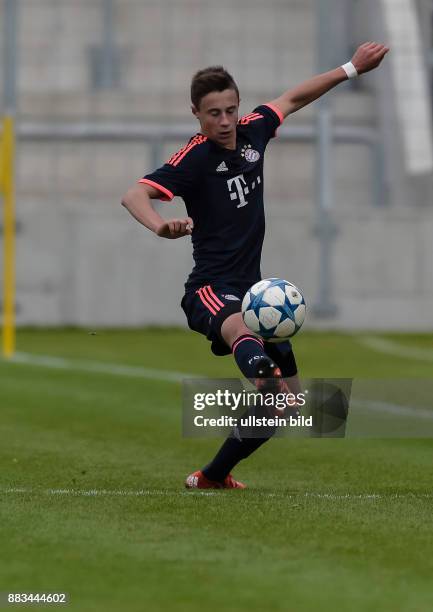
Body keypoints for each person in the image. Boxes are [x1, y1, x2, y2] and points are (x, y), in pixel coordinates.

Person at [121, 41, 389, 489]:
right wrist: (159, 226)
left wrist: (351, 68)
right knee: (247, 341)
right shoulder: (194, 158)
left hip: (252, 292)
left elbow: (293, 98)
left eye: (230, 110)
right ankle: (261, 375)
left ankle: (213, 476)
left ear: (238, 106)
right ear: (196, 114)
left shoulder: (253, 132)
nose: (224, 122)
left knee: (288, 404)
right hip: (209, 290)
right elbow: (134, 194)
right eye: (213, 114)